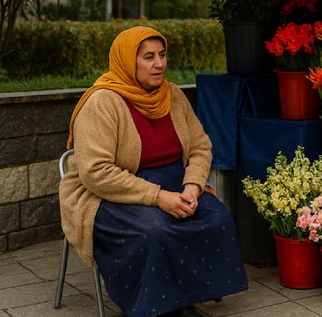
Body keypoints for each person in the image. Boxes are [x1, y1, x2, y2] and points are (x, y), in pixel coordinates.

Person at [60, 26, 248, 317]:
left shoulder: (171, 95)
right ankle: (153, 308)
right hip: (114, 192)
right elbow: (96, 172)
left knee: (217, 219)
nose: (159, 63)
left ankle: (184, 299)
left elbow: (200, 147)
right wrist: (158, 197)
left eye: (162, 55)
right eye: (148, 57)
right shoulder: (102, 102)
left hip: (175, 182)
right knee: (154, 231)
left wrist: (193, 186)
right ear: (127, 61)